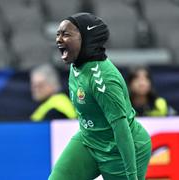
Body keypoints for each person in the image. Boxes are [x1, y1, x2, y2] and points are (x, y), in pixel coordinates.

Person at [49, 13, 151, 180]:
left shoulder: (102, 80)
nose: (59, 39)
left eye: (66, 34)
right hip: (89, 141)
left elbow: (122, 129)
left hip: (119, 151)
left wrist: (131, 177)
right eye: (58, 34)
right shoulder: (77, 65)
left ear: (86, 39)